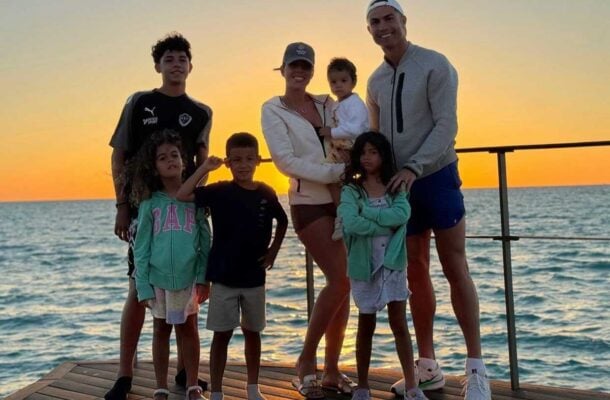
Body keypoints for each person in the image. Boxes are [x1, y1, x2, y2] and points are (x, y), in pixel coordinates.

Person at [365, 1, 492, 399]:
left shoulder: (435, 64)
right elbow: (376, 138)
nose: (383, 27)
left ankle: (476, 369)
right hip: (399, 187)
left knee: (455, 266)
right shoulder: (375, 81)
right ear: (369, 30)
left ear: (403, 21)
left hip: (436, 177)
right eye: (375, 22)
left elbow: (447, 124)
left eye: (389, 19)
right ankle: (428, 366)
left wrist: (415, 167)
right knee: (415, 271)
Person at [107, 32, 212, 400]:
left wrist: (198, 203)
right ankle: (124, 373)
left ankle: (186, 373)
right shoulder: (139, 102)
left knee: (185, 290)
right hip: (143, 207)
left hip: (184, 209)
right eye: (168, 59)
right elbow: (118, 155)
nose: (176, 64)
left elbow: (202, 162)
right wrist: (122, 205)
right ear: (158, 66)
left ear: (190, 66)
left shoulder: (201, 112)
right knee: (139, 288)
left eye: (182, 58)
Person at [261, 42, 354, 399]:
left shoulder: (328, 104)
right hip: (308, 203)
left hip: (343, 200)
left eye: (305, 66)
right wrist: (332, 173)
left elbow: (350, 135)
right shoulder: (272, 109)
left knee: (344, 286)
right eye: (293, 65)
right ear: (283, 69)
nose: (299, 71)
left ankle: (331, 370)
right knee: (341, 279)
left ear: (312, 70)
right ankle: (305, 361)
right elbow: (284, 161)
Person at [176, 132, 288, 400]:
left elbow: (282, 221)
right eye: (236, 160)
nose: (243, 165)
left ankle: (253, 388)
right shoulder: (220, 191)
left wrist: (273, 251)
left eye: (249, 159)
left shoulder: (266, 192)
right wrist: (205, 167)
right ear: (228, 162)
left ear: (258, 161)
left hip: (254, 278)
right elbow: (182, 194)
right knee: (222, 335)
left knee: (253, 333)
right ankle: (216, 392)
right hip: (224, 278)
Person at [338, 132, 428, 400]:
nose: (367, 157)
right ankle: (363, 386)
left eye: (373, 152)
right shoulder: (351, 190)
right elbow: (351, 223)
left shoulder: (395, 186)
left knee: (399, 323)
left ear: (383, 155)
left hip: (392, 264)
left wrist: (368, 212)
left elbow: (401, 214)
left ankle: (412, 386)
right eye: (363, 152)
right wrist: (383, 223)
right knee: (366, 325)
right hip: (364, 266)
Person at [131, 129, 209, 400]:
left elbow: (205, 241)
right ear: (155, 167)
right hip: (158, 279)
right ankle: (161, 386)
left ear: (184, 161)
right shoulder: (150, 203)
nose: (170, 161)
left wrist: (203, 277)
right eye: (162, 158)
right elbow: (141, 248)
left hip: (188, 278)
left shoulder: (196, 200)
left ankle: (192, 385)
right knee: (161, 330)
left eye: (174, 155)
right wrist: (143, 285)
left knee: (189, 330)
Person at [318, 58, 370, 241]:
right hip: (339, 146)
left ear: (353, 82)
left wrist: (331, 132)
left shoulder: (355, 104)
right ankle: (344, 215)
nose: (338, 85)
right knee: (330, 178)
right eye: (333, 82)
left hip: (352, 147)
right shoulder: (338, 104)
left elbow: (357, 128)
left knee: (339, 179)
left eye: (343, 80)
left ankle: (346, 217)